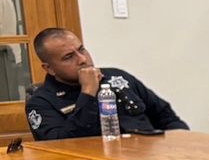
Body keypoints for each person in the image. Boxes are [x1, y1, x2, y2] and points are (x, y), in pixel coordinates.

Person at [26, 28, 189, 140]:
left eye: (81, 50)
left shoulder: (117, 77)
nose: (82, 59)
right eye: (69, 57)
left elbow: (166, 115)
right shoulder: (41, 102)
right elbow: (63, 146)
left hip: (150, 155)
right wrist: (88, 92)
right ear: (49, 68)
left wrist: (181, 144)